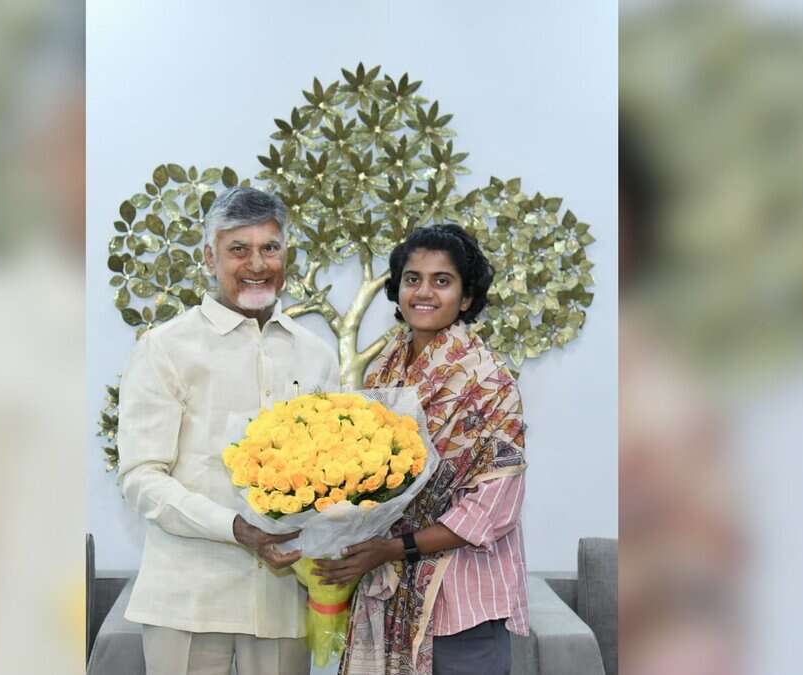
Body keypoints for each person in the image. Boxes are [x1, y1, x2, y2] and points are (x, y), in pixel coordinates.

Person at [117, 187, 339, 675]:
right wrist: (236, 528)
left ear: (287, 255)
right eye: (239, 249)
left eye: (270, 248)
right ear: (208, 256)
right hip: (188, 600)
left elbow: (333, 477)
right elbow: (141, 476)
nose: (256, 263)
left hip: (284, 601)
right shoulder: (166, 348)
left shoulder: (316, 354)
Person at [316, 224, 528, 675]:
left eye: (442, 280)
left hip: (461, 601)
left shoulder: (490, 383)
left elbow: (494, 508)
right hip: (386, 587)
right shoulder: (382, 374)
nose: (424, 292)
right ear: (397, 291)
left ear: (466, 297)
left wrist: (395, 547)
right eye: (412, 279)